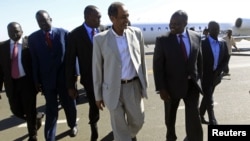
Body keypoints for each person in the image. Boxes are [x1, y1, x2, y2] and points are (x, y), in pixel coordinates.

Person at [92, 2, 148, 141]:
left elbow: (142, 61)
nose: (127, 20)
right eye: (123, 17)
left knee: (139, 121)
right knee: (118, 126)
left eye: (127, 16)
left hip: (133, 87)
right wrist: (98, 95)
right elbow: (97, 68)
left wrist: (144, 86)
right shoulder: (100, 39)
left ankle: (122, 137)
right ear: (112, 18)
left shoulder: (136, 33)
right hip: (111, 89)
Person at [153, 10, 203, 141]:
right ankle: (171, 137)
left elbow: (200, 61)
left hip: (192, 85)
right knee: (170, 118)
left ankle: (194, 138)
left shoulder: (196, 37)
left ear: (185, 23)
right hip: (171, 87)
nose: (172, 26)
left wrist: (199, 80)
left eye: (177, 24)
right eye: (171, 23)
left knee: (194, 118)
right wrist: (161, 88)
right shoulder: (163, 40)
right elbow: (158, 67)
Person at [28, 10, 77, 141]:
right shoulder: (33, 39)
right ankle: (50, 137)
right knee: (51, 109)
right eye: (39, 22)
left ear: (51, 19)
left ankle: (73, 125)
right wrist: (36, 81)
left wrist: (75, 75)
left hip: (64, 79)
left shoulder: (64, 33)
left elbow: (71, 57)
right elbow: (34, 61)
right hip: (47, 81)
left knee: (69, 105)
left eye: (44, 20)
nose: (42, 23)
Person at [0, 22, 43, 141]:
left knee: (29, 110)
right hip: (11, 84)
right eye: (11, 32)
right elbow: (1, 70)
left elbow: (37, 64)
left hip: (27, 82)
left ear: (22, 32)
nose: (14, 34)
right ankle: (37, 117)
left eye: (17, 31)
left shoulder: (29, 45)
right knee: (15, 110)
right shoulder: (2, 47)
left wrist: (39, 82)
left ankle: (32, 135)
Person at [65, 5, 101, 141]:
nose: (100, 19)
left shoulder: (102, 31)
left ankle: (119, 129)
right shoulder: (75, 35)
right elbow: (69, 62)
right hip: (89, 79)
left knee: (115, 104)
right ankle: (94, 128)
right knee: (93, 106)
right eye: (97, 16)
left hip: (108, 77)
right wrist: (71, 85)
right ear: (87, 17)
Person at [199, 21, 229, 125]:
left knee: (208, 96)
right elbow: (198, 60)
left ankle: (200, 115)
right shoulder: (202, 43)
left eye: (217, 29)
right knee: (209, 98)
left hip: (216, 76)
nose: (216, 31)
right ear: (209, 30)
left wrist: (219, 70)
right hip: (205, 75)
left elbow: (226, 58)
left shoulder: (222, 43)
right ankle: (212, 119)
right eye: (213, 29)